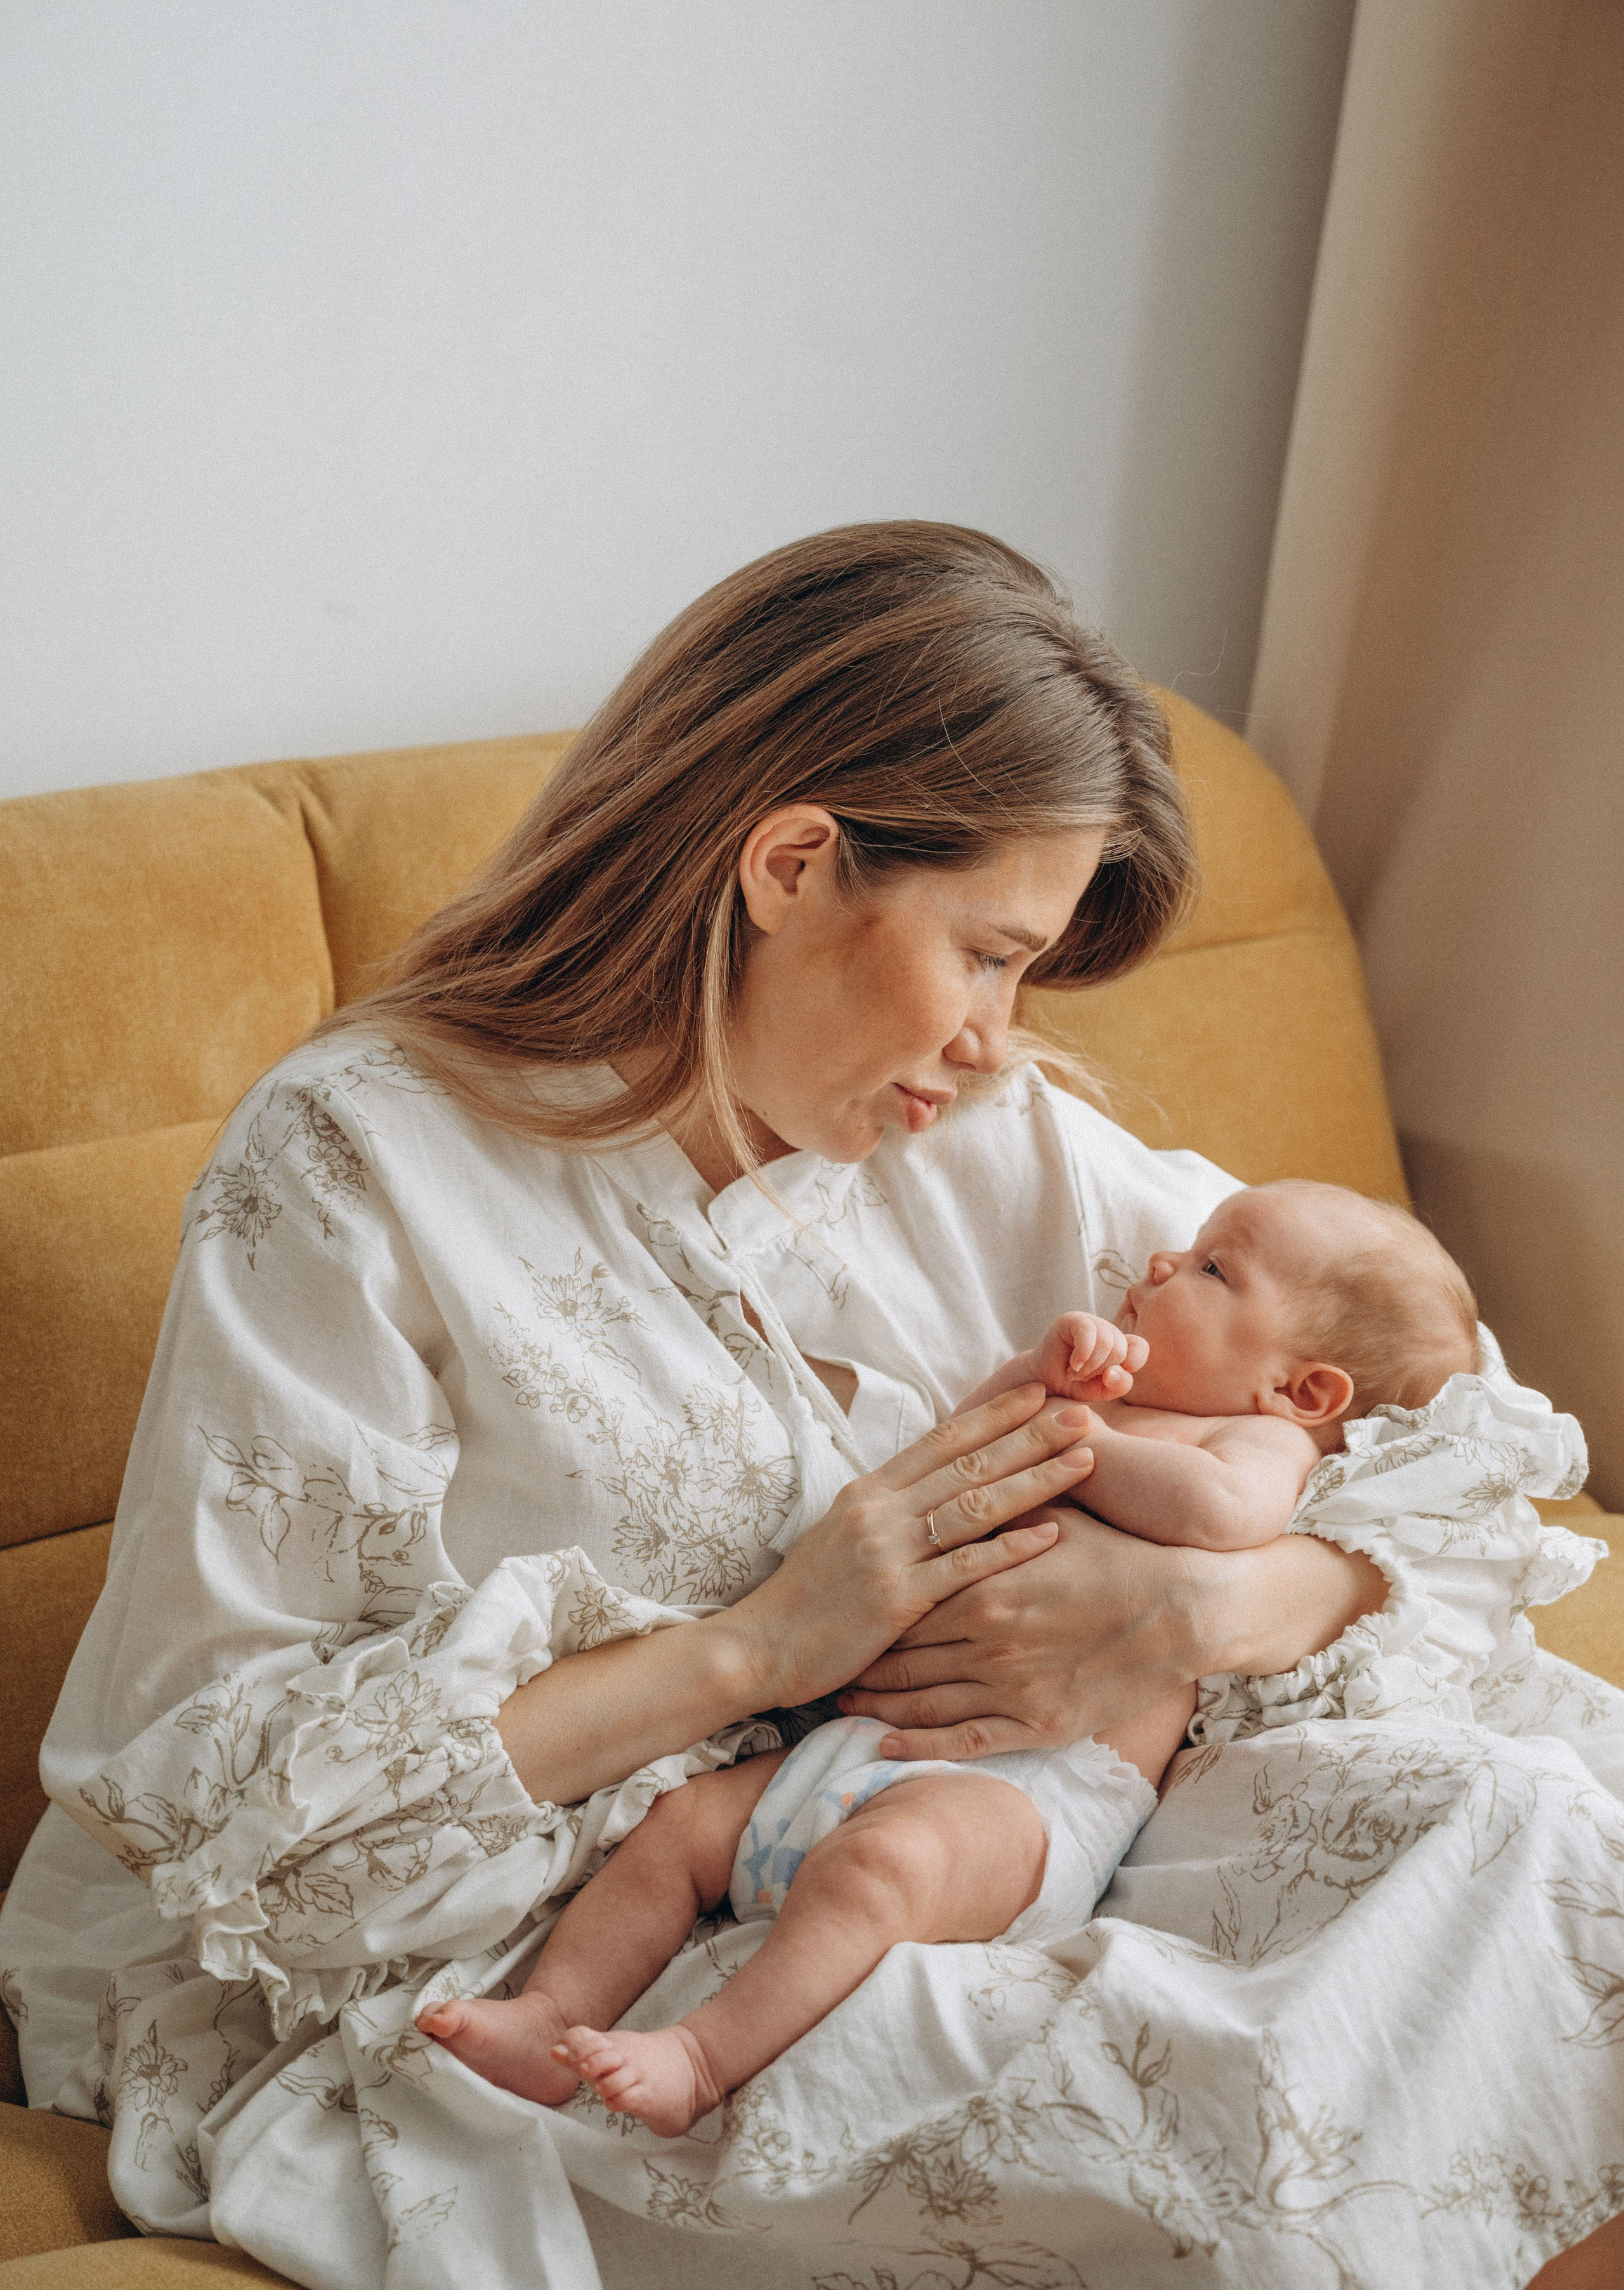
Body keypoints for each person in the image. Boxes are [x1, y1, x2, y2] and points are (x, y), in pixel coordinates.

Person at [3, 523, 1620, 2290]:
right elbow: (235, 1813)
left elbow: (1449, 1421)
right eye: (987, 952)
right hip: (569, 1942)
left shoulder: (987, 1140)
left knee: (1543, 1831)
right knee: (1211, 2112)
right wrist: (763, 1644)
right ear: (789, 863)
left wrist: (1214, 1600)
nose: (1002, 1037)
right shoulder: (357, 1169)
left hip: (972, 1827)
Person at [409, 1181, 1495, 2137]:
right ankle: (553, 2015)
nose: (1160, 1264)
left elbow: (1218, 1520)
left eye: (1214, 1269)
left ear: (1304, 1392)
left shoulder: (1255, 1447)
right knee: (678, 1831)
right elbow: (956, 1452)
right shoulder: (1108, 1402)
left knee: (883, 1870)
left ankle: (700, 2059)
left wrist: (1086, 1440)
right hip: (859, 1741)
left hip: (1035, 1796)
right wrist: (1034, 1378)